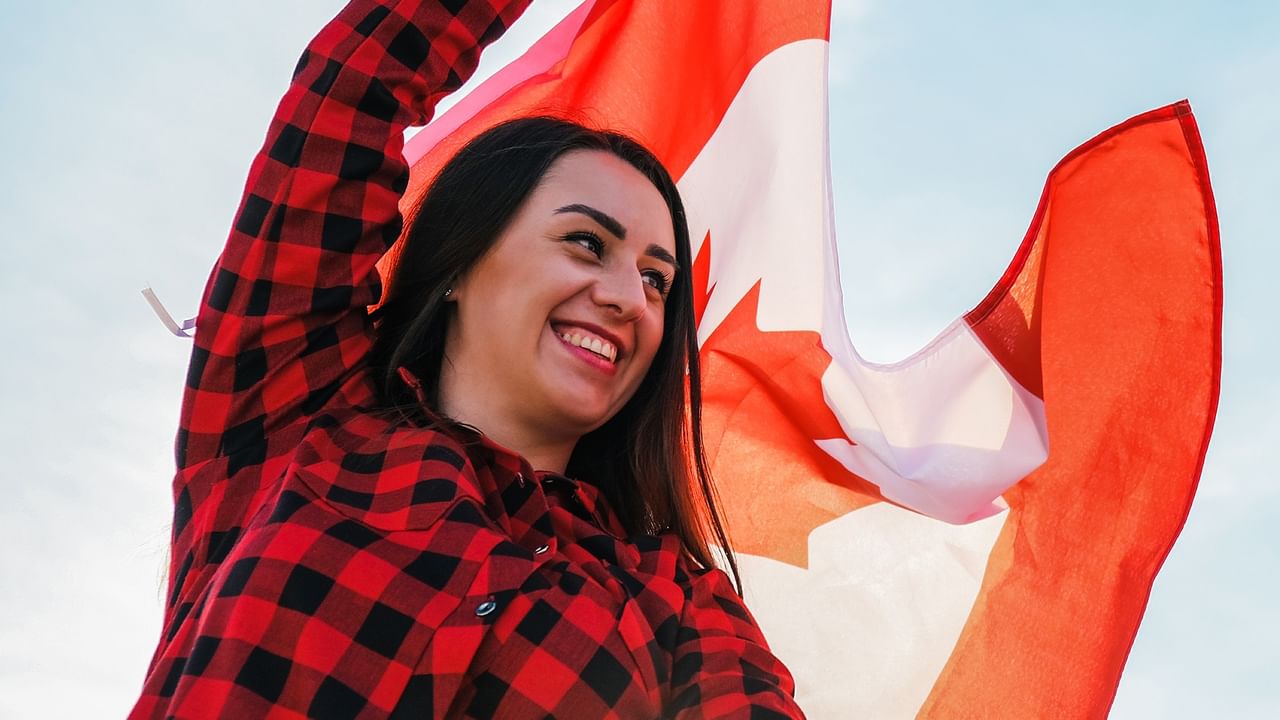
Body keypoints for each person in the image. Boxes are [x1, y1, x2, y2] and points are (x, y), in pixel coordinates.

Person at [130, 1, 804, 717]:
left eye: (656, 279)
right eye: (586, 243)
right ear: (460, 261)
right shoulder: (298, 407)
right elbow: (354, 85)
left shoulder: (681, 605)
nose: (628, 299)